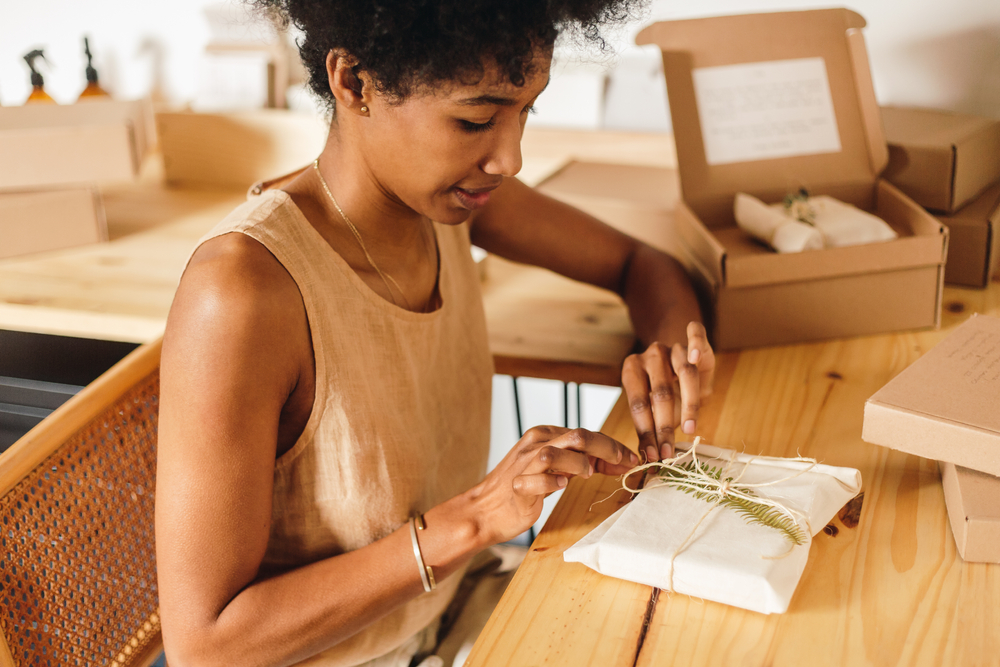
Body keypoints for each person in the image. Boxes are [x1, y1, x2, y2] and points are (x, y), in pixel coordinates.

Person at [154, 1, 716, 665]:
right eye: (475, 120)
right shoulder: (243, 292)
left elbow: (639, 263)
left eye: (526, 111)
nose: (510, 158)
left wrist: (667, 354)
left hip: (450, 613)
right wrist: (473, 520)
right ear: (354, 82)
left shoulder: (449, 200)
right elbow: (204, 644)